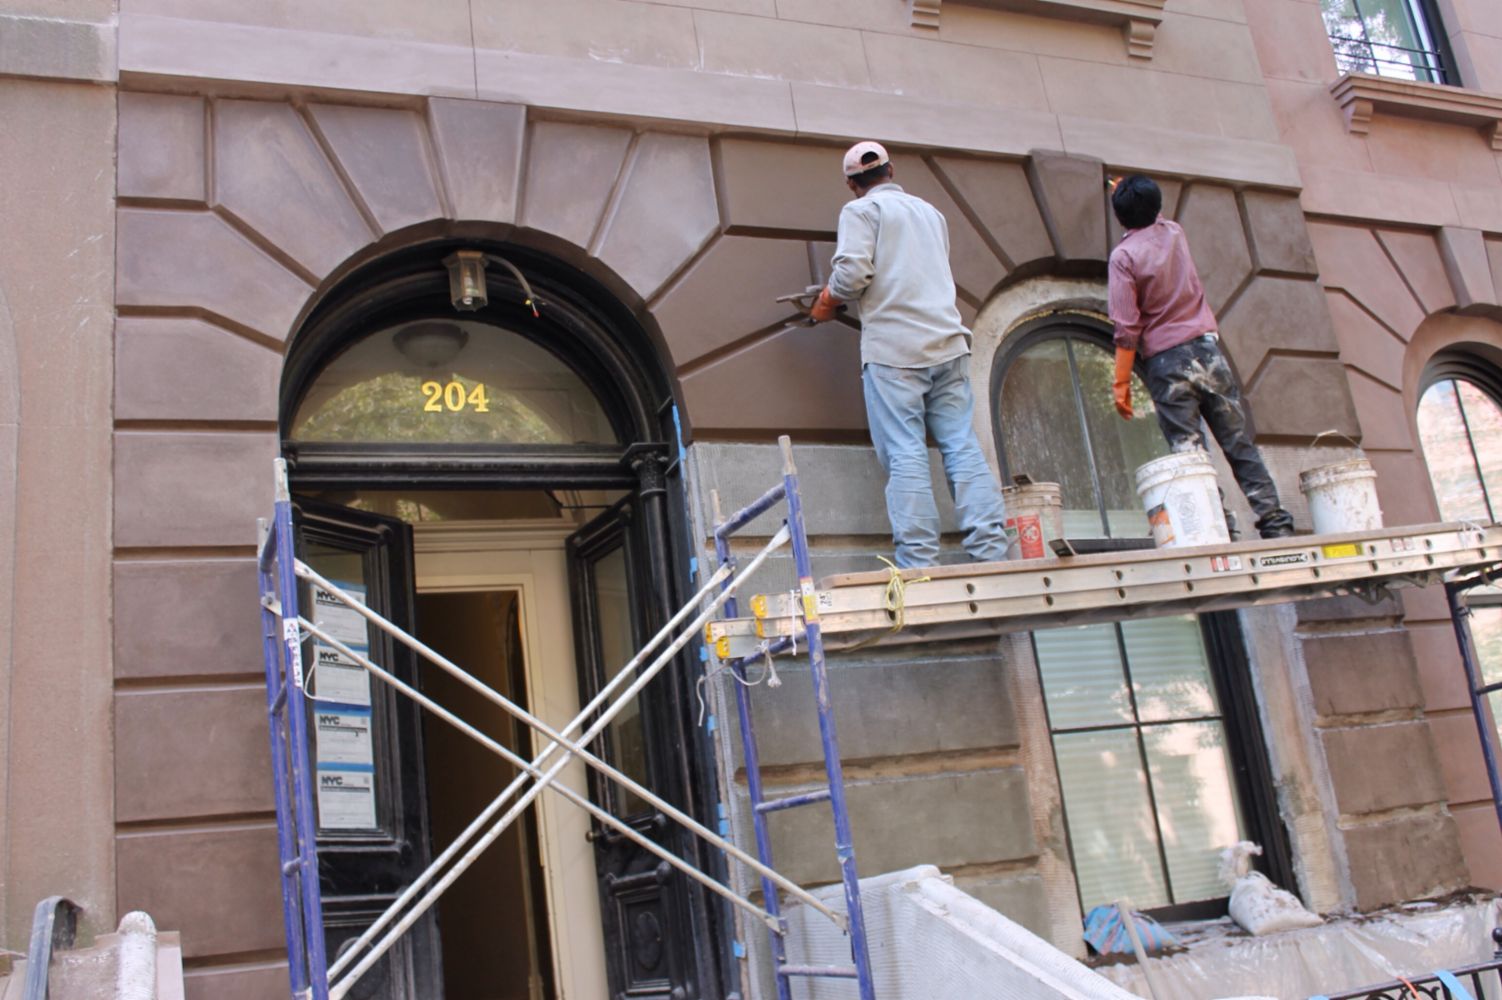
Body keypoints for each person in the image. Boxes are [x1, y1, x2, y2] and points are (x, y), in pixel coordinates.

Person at [810, 141, 1012, 568]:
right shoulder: (931, 213)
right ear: (892, 170)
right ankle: (992, 551)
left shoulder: (861, 211)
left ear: (852, 184)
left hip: (896, 354)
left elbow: (852, 274)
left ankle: (919, 562)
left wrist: (826, 301)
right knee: (962, 444)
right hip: (948, 344)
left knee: (905, 453)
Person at [1107, 174, 1295, 538]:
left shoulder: (1123, 257)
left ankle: (1219, 529)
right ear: (1156, 208)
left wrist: (1121, 382)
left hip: (1167, 363)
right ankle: (1275, 522)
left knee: (1191, 454)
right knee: (1239, 443)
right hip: (1208, 352)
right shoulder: (1175, 232)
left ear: (1119, 218)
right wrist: (1130, 193)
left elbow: (1127, 328)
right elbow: (1153, 214)